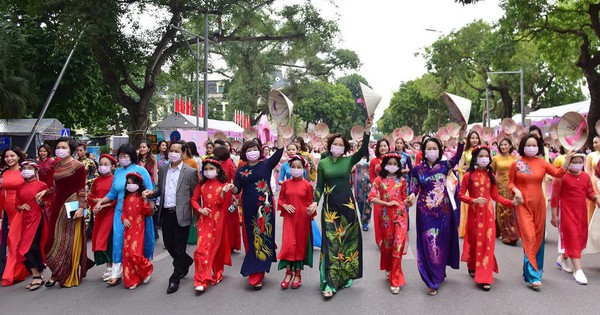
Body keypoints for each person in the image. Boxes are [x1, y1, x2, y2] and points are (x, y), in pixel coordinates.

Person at [308, 117, 373, 298]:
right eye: (335, 144)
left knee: (348, 242)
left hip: (348, 208)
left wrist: (367, 131)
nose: (338, 146)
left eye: (341, 144)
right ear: (330, 146)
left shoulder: (349, 161)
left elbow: (363, 150)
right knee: (330, 244)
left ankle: (343, 276)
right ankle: (328, 282)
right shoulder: (322, 164)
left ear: (345, 147)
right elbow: (319, 186)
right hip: (330, 210)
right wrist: (315, 201)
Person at [509, 134, 573, 290]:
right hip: (522, 205)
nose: (531, 147)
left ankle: (532, 270)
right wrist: (515, 190)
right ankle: (533, 276)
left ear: (538, 147)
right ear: (523, 146)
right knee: (529, 237)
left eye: (534, 145)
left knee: (538, 239)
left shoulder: (542, 163)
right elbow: (511, 182)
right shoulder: (516, 164)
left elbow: (558, 174)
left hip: (539, 205)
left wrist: (568, 159)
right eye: (528, 145)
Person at [224, 127, 285, 290]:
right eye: (249, 150)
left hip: (264, 207)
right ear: (245, 152)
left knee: (263, 235)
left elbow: (279, 150)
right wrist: (231, 187)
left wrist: (279, 133)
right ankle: (256, 267)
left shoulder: (266, 164)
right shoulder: (241, 169)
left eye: (255, 149)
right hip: (248, 207)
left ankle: (257, 271)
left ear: (259, 151)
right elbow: (237, 189)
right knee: (252, 238)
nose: (252, 152)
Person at [407, 127, 466, 296]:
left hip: (444, 211)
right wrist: (411, 196)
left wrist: (461, 139)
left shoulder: (444, 165)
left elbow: (457, 156)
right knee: (428, 244)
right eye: (428, 148)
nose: (431, 151)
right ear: (423, 151)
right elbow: (414, 186)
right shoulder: (418, 169)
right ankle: (432, 279)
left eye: (434, 148)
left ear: (439, 151)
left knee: (440, 243)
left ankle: (438, 272)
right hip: (424, 212)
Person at [93, 143, 155, 287]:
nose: (122, 159)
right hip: (121, 212)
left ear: (131, 156)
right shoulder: (118, 172)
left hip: (138, 213)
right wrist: (100, 202)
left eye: (125, 156)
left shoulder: (141, 170)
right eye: (120, 156)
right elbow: (113, 193)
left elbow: (150, 190)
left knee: (136, 245)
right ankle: (116, 273)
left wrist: (149, 206)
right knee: (118, 241)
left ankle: (143, 269)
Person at [142, 141, 198, 294]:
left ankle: (175, 278)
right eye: (171, 150)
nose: (172, 153)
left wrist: (197, 216)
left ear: (183, 152)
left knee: (179, 246)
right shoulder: (163, 168)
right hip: (166, 213)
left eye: (176, 151)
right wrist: (151, 193)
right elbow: (160, 189)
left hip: (182, 214)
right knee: (169, 243)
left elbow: (195, 195)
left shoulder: (190, 172)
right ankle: (186, 261)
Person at [458, 145, 516, 291]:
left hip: (489, 215)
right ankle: (472, 265)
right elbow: (460, 195)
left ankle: (484, 276)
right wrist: (473, 200)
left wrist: (511, 203)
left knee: (487, 244)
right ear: (476, 158)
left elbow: (495, 196)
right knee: (474, 241)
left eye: (487, 156)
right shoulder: (468, 176)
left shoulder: (491, 176)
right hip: (474, 214)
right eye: (481, 155)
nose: (484, 158)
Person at [42, 138, 92, 288]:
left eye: (63, 147)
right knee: (51, 239)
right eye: (58, 147)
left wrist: (82, 207)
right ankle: (56, 270)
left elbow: (82, 189)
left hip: (72, 204)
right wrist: (45, 191)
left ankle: (64, 274)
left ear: (70, 149)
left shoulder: (78, 166)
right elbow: (55, 187)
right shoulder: (55, 165)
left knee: (69, 240)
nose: (60, 150)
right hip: (57, 205)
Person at [551, 154, 600, 285]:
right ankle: (578, 270)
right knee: (572, 237)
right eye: (575, 162)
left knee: (579, 238)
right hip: (567, 213)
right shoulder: (561, 177)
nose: (578, 164)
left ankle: (562, 258)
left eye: (580, 162)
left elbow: (589, 192)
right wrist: (554, 215)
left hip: (581, 213)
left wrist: (596, 198)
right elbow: (555, 197)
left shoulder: (585, 176)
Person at [368, 152, 409, 294]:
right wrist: (386, 203)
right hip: (385, 218)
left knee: (397, 247)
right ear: (384, 165)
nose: (392, 166)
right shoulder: (379, 180)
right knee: (388, 246)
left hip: (401, 217)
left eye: (395, 164)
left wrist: (408, 201)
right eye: (389, 164)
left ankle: (395, 279)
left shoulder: (403, 180)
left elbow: (404, 198)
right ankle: (388, 267)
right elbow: (371, 197)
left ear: (399, 166)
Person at [190, 158, 232, 292]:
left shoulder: (223, 184)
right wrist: (200, 209)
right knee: (202, 249)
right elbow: (193, 200)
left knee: (216, 249)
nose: (209, 172)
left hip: (218, 220)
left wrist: (224, 192)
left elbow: (220, 203)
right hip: (204, 220)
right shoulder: (201, 185)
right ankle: (201, 280)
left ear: (218, 170)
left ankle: (218, 273)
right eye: (206, 169)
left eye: (211, 169)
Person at [277, 155, 315, 290]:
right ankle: (288, 272)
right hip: (289, 218)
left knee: (299, 245)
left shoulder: (308, 185)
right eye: (293, 167)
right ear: (289, 168)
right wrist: (285, 206)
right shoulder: (286, 184)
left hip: (302, 220)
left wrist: (311, 209)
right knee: (288, 245)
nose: (296, 169)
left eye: (299, 167)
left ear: (303, 169)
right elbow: (280, 200)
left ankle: (298, 274)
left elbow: (311, 202)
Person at [15, 160, 50, 290]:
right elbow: (16, 203)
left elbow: (49, 202)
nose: (26, 170)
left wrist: (43, 203)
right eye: (24, 168)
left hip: (37, 218)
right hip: (25, 220)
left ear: (35, 171)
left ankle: (37, 275)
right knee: (25, 247)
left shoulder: (42, 185)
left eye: (29, 168)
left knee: (31, 246)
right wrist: (20, 206)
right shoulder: (20, 187)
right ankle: (38, 274)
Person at [119, 172, 153, 289]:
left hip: (138, 228)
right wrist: (124, 219)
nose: (130, 185)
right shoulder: (126, 198)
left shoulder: (140, 198)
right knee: (127, 255)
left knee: (135, 253)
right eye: (128, 183)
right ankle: (132, 280)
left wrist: (144, 199)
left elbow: (146, 212)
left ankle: (146, 269)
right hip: (128, 230)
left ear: (138, 184)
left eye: (133, 183)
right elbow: (123, 212)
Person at [0, 147, 28, 286]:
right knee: (12, 239)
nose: (9, 158)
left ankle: (13, 272)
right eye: (6, 156)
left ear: (18, 157)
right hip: (7, 210)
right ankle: (23, 268)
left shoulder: (25, 171)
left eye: (12, 156)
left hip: (21, 209)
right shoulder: (3, 173)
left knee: (13, 239)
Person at [88, 154, 118, 281]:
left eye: (106, 164)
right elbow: (91, 196)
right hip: (99, 214)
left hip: (111, 212)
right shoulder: (96, 181)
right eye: (101, 164)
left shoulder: (114, 180)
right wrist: (97, 201)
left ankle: (110, 266)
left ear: (112, 166)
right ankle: (108, 266)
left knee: (108, 239)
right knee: (99, 239)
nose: (103, 167)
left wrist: (104, 204)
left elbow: (116, 198)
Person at [491, 138, 519, 245]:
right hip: (501, 187)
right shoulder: (495, 158)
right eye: (501, 145)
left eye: (505, 144)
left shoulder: (515, 158)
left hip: (513, 186)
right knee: (502, 209)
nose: (503, 147)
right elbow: (492, 172)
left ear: (510, 145)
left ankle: (513, 233)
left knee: (512, 210)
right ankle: (506, 235)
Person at [213, 146, 241, 252]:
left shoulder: (230, 164)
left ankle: (229, 243)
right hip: (216, 192)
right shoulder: (215, 163)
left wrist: (236, 196)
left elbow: (236, 180)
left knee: (227, 219)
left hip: (227, 193)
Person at [458, 131, 482, 238]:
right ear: (468, 139)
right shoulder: (465, 153)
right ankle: (469, 229)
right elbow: (459, 167)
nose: (474, 140)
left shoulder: (483, 151)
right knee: (469, 205)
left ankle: (480, 228)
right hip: (469, 181)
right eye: (472, 138)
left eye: (476, 138)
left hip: (481, 181)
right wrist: (464, 172)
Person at [370, 138, 390, 247]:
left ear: (388, 147)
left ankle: (389, 238)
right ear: (378, 148)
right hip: (378, 192)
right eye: (381, 146)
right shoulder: (374, 161)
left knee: (389, 215)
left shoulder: (392, 160)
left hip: (391, 192)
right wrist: (376, 190)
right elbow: (372, 177)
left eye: (385, 145)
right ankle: (380, 240)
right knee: (378, 216)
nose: (383, 148)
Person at [353, 141, 371, 231]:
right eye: (359, 146)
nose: (361, 147)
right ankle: (362, 219)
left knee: (368, 203)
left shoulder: (371, 157)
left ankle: (366, 222)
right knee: (360, 202)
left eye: (362, 145)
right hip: (358, 183)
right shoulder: (355, 158)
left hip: (369, 184)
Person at [585, 136, 600, 221]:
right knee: (593, 205)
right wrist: (589, 182)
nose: (594, 145)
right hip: (594, 183)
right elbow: (587, 169)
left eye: (596, 142)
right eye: (593, 142)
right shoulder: (591, 155)